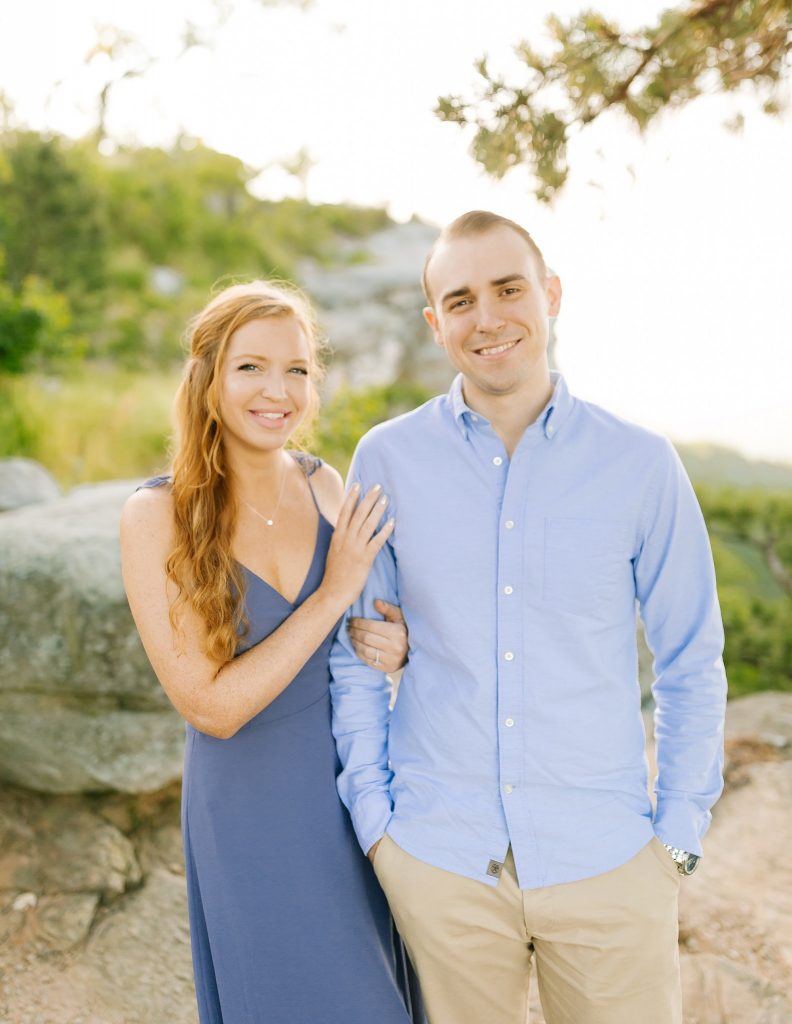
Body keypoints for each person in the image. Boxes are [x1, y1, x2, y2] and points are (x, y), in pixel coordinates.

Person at [331, 211, 727, 1024]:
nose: (488, 317)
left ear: (549, 295)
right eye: (461, 299)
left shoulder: (641, 465)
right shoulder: (386, 459)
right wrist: (378, 824)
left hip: (610, 862)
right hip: (440, 861)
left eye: (508, 289)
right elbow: (355, 650)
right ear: (436, 324)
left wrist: (677, 838)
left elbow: (692, 657)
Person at [120, 280, 423, 1024]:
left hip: (352, 796)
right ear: (208, 378)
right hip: (249, 813)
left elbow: (366, 636)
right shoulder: (154, 516)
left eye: (297, 369)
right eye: (250, 367)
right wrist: (329, 598)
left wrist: (394, 643)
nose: (277, 391)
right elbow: (211, 707)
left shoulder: (325, 485)